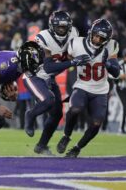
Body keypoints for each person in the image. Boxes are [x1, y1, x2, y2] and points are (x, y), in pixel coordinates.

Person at [56, 19, 120, 158]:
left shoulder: (111, 46)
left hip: (100, 90)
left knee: (97, 123)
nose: (97, 39)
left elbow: (116, 73)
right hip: (82, 85)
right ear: (91, 33)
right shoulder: (76, 43)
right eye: (96, 35)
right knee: (75, 109)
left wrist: (108, 64)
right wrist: (72, 62)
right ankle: (66, 136)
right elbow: (63, 61)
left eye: (101, 38)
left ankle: (77, 148)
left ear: (107, 39)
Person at [23, 10, 82, 155]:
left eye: (64, 27)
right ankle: (30, 115)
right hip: (34, 75)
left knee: (56, 114)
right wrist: (72, 62)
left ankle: (41, 145)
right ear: (52, 26)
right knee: (48, 100)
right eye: (59, 27)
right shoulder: (43, 37)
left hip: (49, 78)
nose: (62, 30)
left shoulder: (74, 33)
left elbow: (78, 49)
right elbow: (48, 66)